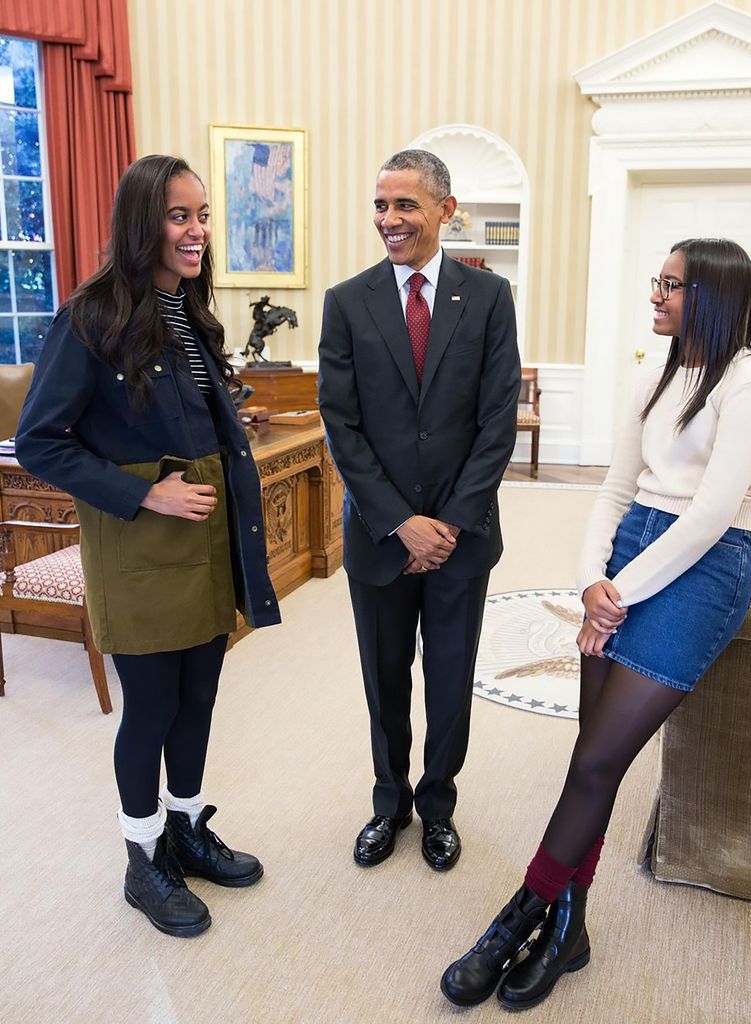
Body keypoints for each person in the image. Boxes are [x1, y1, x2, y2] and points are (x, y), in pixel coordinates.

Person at [440, 237, 751, 1008]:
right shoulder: (653, 373)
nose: (654, 296)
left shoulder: (750, 380)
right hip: (630, 559)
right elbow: (614, 488)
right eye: (654, 282)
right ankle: (569, 929)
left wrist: (616, 593)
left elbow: (708, 516)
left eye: (669, 286)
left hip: (699, 573)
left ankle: (513, 920)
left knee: (597, 763)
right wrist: (591, 578)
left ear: (713, 297)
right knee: (589, 757)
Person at [16, 154, 280, 938]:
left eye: (201, 215)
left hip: (204, 542)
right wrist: (145, 492)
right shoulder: (90, 316)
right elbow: (39, 441)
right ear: (143, 224)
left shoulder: (193, 315)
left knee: (200, 696)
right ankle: (142, 859)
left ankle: (187, 828)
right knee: (152, 707)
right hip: (140, 546)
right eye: (178, 215)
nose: (195, 230)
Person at [317, 150, 520, 872]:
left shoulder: (488, 297)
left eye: (404, 204)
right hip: (378, 534)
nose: (389, 219)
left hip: (461, 537)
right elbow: (340, 424)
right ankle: (388, 803)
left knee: (449, 677)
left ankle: (437, 807)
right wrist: (399, 520)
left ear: (445, 208)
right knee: (385, 678)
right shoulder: (346, 301)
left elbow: (497, 420)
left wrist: (449, 524)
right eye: (379, 205)